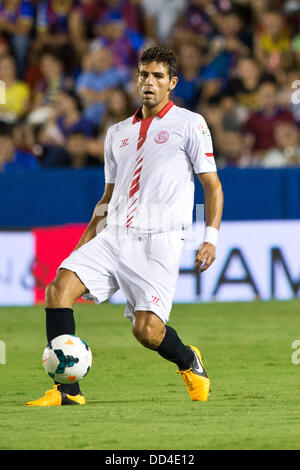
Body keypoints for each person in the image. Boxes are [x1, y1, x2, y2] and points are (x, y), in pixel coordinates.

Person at [26, 46, 223, 407]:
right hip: (114, 234)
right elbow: (107, 197)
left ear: (172, 83)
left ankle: (188, 360)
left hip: (158, 240)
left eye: (158, 76)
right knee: (57, 290)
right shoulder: (117, 133)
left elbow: (212, 185)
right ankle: (67, 391)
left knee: (146, 331)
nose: (149, 82)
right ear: (136, 79)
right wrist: (84, 242)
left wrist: (210, 237)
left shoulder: (190, 123)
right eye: (144, 74)